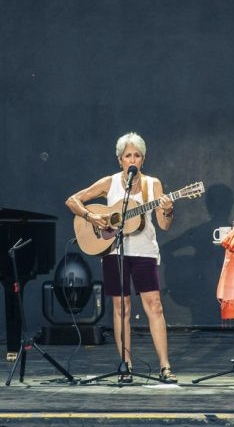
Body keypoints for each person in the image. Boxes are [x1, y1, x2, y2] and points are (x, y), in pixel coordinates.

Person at [65, 132, 177, 384]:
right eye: (128, 155)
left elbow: (164, 225)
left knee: (155, 306)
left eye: (137, 155)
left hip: (145, 251)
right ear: (120, 160)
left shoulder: (152, 185)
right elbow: (72, 201)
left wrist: (168, 210)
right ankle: (125, 366)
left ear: (143, 159)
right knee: (121, 308)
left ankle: (165, 366)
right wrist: (90, 216)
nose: (133, 159)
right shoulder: (110, 182)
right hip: (114, 252)